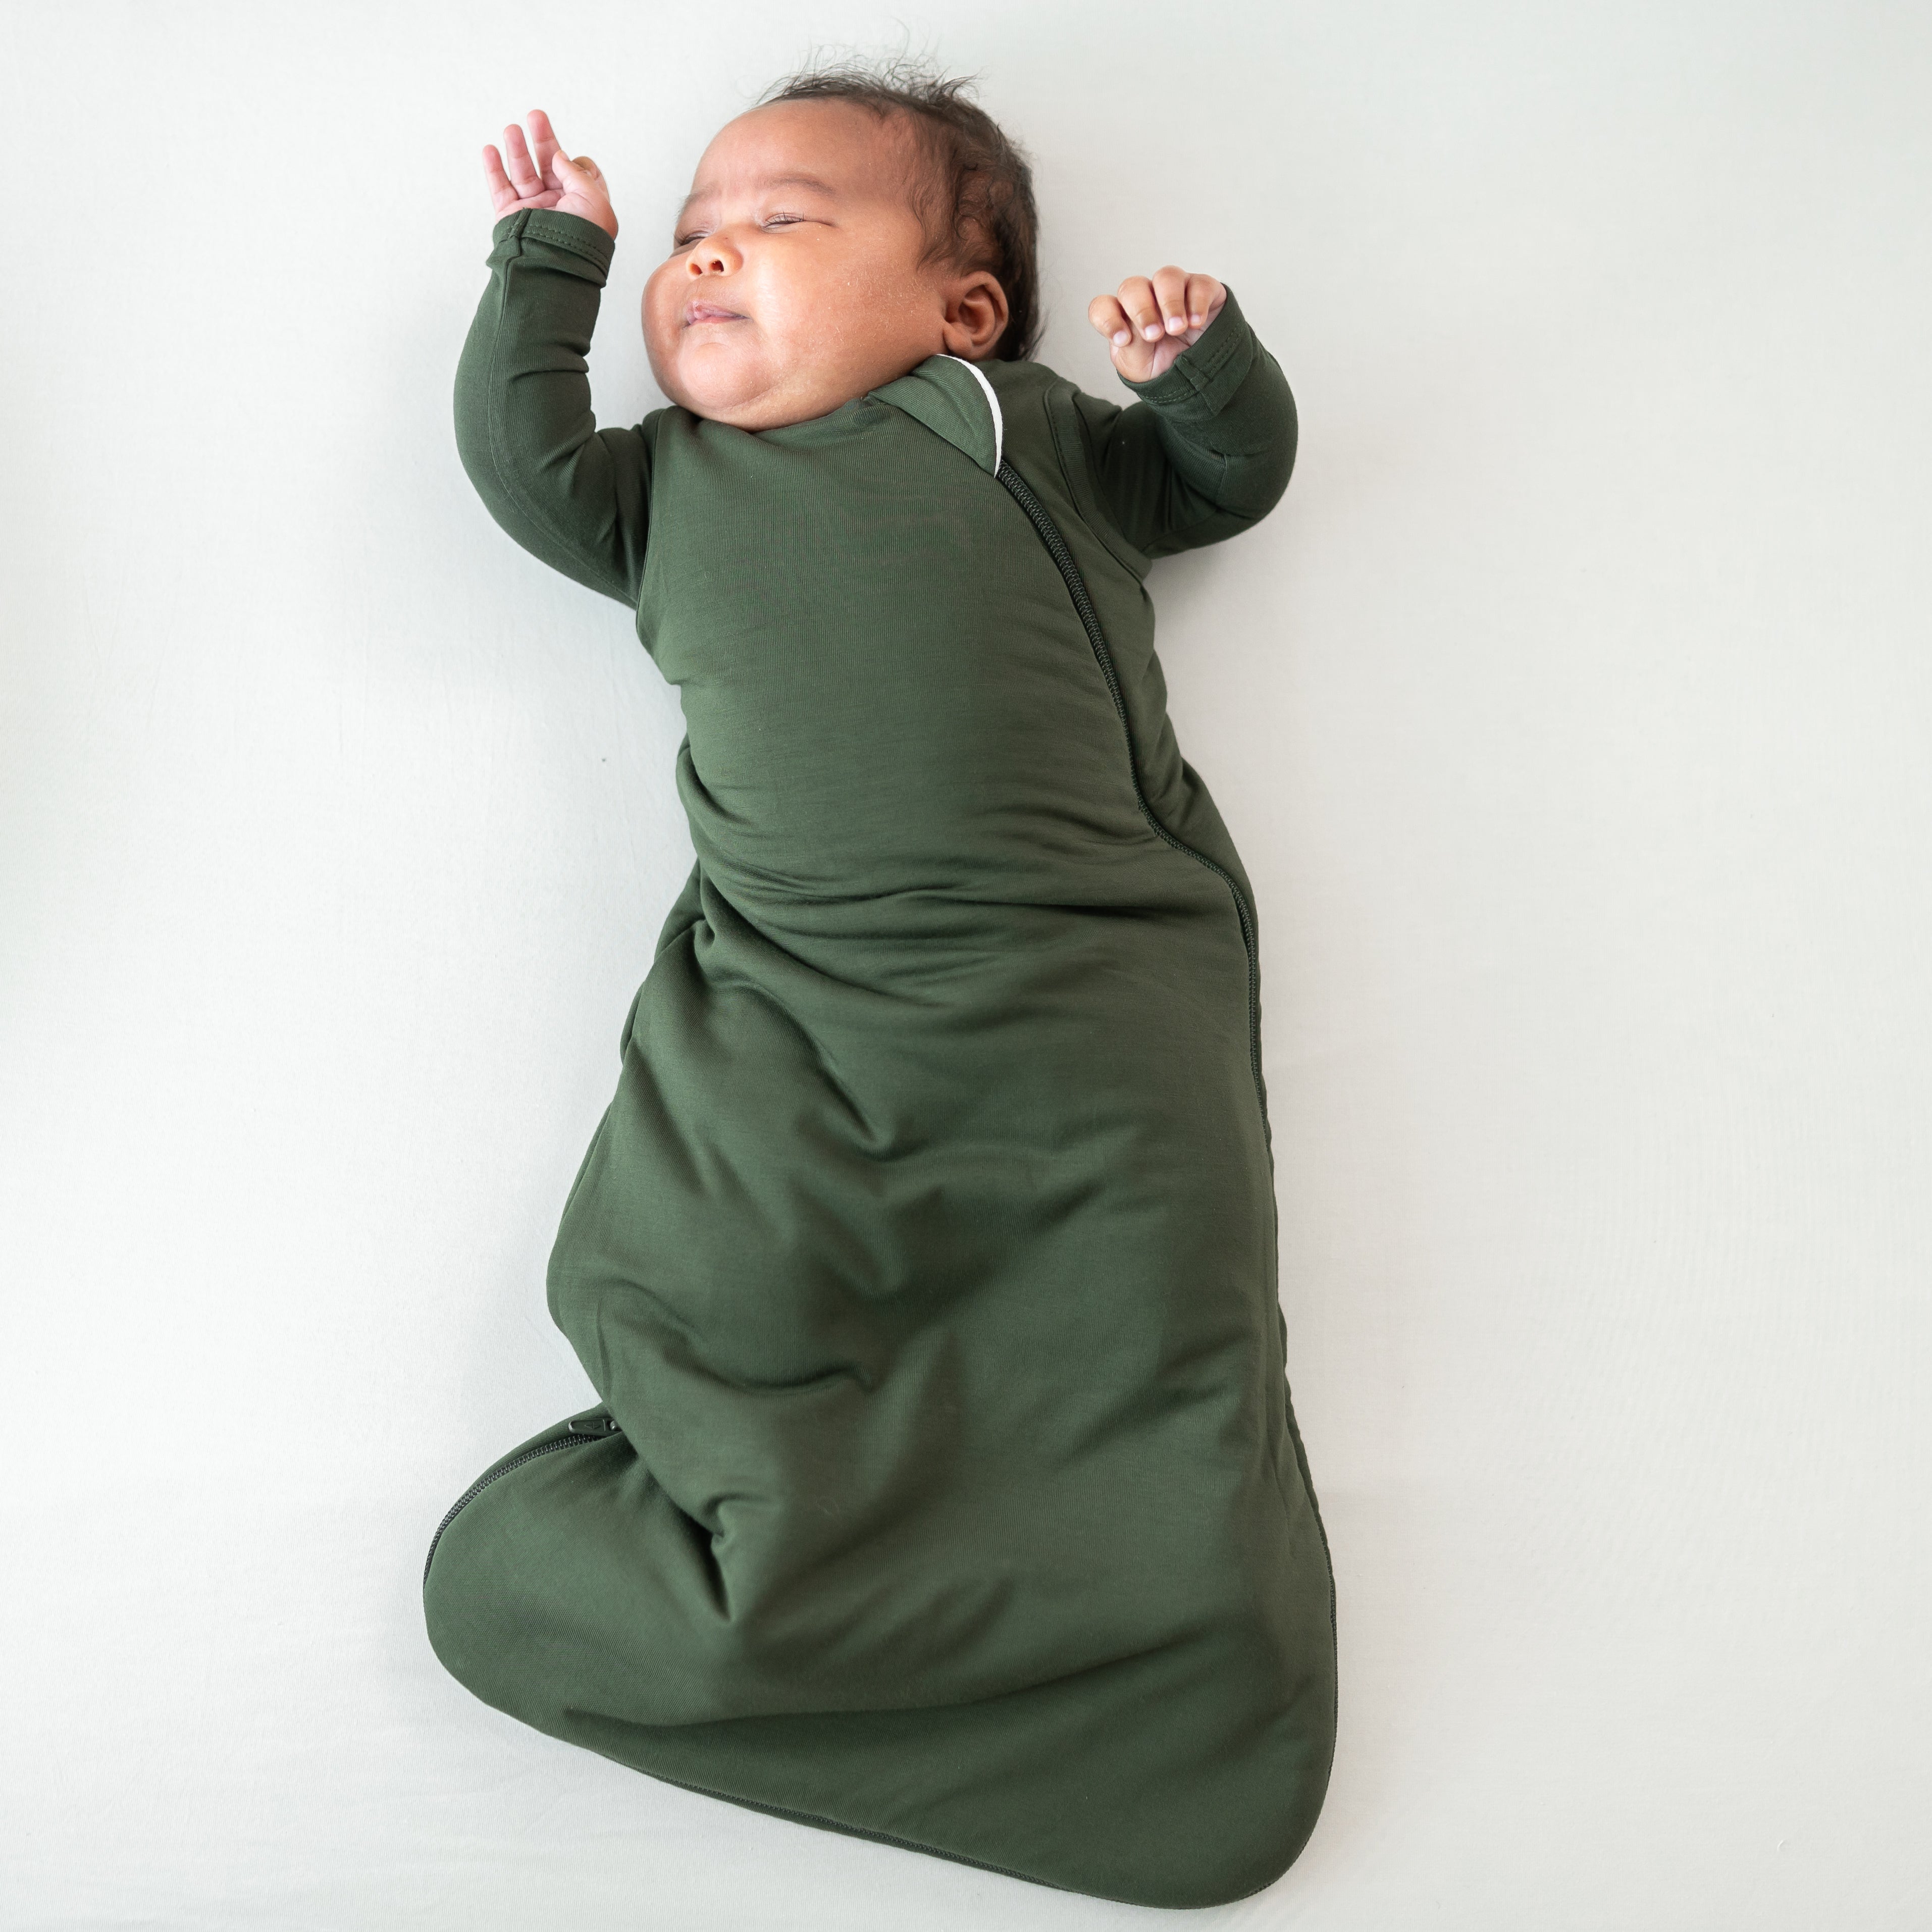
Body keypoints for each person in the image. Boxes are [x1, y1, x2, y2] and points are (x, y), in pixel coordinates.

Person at [423, 64, 1335, 1909]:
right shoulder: (660, 489)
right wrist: (551, 266)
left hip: (1079, 980)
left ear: (959, 308)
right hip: (808, 996)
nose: (708, 258)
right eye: (690, 238)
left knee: (1143, 1282)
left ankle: (1138, 1630)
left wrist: (1200, 373)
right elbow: (520, 459)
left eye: (779, 223)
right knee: (728, 1263)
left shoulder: (1025, 432)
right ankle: (799, 1570)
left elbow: (1220, 482)